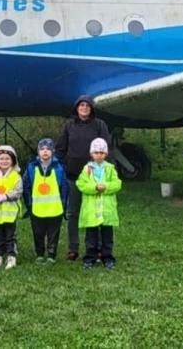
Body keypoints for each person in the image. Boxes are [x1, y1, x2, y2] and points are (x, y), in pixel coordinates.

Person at [54, 95, 110, 261]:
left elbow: (106, 148)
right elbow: (60, 149)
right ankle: (73, 248)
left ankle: (95, 247)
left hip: (94, 178)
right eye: (81, 105)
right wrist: (65, 164)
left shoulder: (99, 125)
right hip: (73, 177)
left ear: (91, 108)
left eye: (87, 105)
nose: (84, 108)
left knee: (94, 212)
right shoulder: (68, 126)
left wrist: (107, 171)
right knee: (72, 213)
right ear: (76, 108)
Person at [77, 138, 122, 269]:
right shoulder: (86, 169)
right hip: (91, 210)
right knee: (91, 236)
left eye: (102, 152)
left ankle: (107, 257)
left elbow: (117, 184)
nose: (99, 155)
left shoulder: (110, 169)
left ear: (105, 154)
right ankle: (90, 257)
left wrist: (106, 187)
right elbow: (81, 184)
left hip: (106, 210)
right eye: (96, 152)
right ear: (91, 154)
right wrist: (95, 188)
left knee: (107, 236)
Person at [22, 138, 68, 265]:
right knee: (38, 232)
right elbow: (26, 185)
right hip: (36, 208)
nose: (45, 151)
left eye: (48, 149)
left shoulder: (59, 167)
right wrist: (29, 203)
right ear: (38, 151)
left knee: (53, 232)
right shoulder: (31, 167)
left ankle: (52, 254)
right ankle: (40, 254)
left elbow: (64, 186)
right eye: (42, 149)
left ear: (53, 151)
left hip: (55, 208)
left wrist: (63, 203)